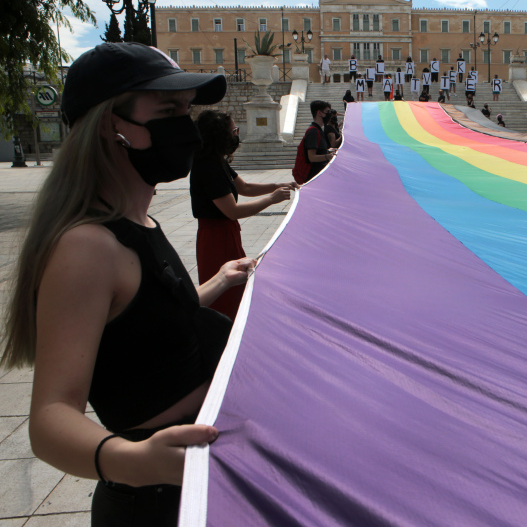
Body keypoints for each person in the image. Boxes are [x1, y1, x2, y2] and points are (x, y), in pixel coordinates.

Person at [0, 42, 248, 526]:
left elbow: (146, 325)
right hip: (155, 499)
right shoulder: (87, 245)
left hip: (187, 481)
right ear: (112, 126)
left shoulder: (138, 222)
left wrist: (217, 282)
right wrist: (134, 461)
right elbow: (50, 418)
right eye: (168, 110)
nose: (186, 126)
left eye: (187, 111)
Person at [191, 111, 293, 319]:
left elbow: (244, 187)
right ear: (220, 135)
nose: (236, 134)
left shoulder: (217, 161)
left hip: (226, 234)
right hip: (215, 239)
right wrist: (271, 199)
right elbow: (233, 211)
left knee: (236, 287)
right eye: (233, 131)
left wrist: (278, 184)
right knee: (224, 295)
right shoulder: (207, 166)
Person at [293, 100, 337, 184]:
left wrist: (328, 151)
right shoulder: (313, 131)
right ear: (319, 113)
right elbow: (311, 157)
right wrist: (328, 156)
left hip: (318, 176)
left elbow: (319, 151)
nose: (329, 114)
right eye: (327, 111)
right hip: (313, 177)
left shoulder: (318, 130)